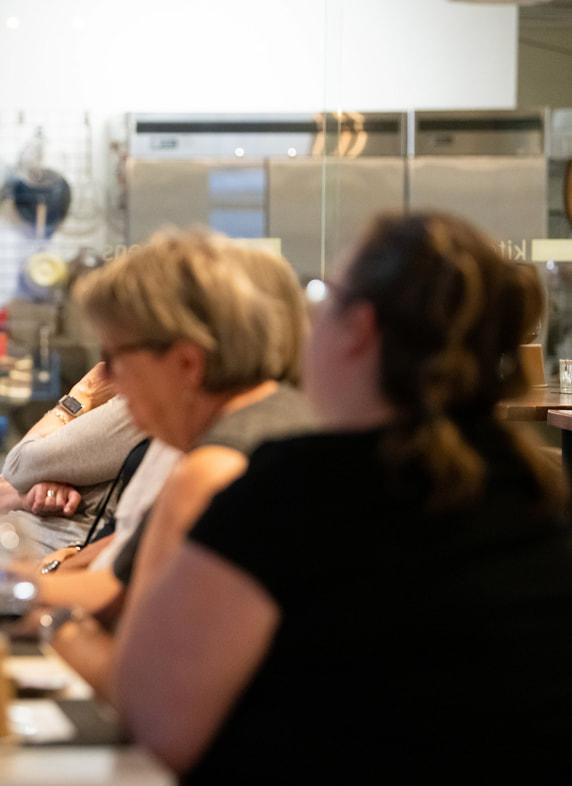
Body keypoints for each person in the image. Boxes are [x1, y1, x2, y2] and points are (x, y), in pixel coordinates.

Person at [112, 212, 572, 783]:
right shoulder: (539, 491)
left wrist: (63, 625)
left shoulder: (293, 490)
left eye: (325, 299)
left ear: (359, 328)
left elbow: (155, 722)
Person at [34, 229, 316, 689]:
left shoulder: (213, 470)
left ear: (187, 364)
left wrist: (39, 618)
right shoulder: (286, 420)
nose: (112, 383)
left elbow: (141, 685)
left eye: (114, 357)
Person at [0, 362, 144, 552]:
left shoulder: (141, 404)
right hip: (20, 541)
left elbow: (18, 465)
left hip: (55, 556)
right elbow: (0, 491)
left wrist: (82, 394)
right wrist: (25, 497)